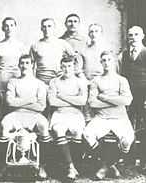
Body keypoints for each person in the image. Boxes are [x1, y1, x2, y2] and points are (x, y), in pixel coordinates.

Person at [0, 54, 52, 179]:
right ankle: (3, 165)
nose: (24, 66)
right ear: (18, 65)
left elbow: (41, 106)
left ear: (33, 65)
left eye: (27, 63)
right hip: (16, 114)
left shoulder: (39, 83)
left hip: (34, 115)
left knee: (44, 125)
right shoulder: (13, 81)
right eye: (22, 63)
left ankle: (42, 166)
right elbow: (10, 103)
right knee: (4, 124)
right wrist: (31, 100)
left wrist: (20, 101)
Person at [83, 51, 134, 180]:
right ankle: (111, 166)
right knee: (87, 134)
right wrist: (116, 101)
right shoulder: (96, 81)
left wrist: (104, 97)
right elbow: (93, 103)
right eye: (104, 60)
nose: (106, 62)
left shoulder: (122, 80)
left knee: (128, 140)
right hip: (102, 118)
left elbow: (127, 100)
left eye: (109, 60)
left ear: (114, 61)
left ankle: (106, 166)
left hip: (120, 118)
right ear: (101, 62)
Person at [48, 56, 87, 181]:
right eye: (64, 66)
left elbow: (82, 101)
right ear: (60, 67)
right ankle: (70, 166)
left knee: (78, 131)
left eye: (69, 66)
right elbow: (52, 102)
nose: (66, 69)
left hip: (75, 114)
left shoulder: (80, 81)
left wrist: (62, 96)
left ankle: (74, 165)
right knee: (59, 130)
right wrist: (72, 100)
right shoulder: (54, 82)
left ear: (74, 67)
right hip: (59, 114)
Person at [120, 26, 146, 172]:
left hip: (143, 97)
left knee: (144, 128)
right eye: (130, 35)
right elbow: (123, 76)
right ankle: (130, 159)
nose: (133, 37)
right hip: (128, 98)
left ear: (142, 36)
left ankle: (144, 161)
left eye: (136, 35)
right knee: (128, 127)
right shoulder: (125, 54)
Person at [0, 17, 26, 120]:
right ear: (3, 28)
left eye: (11, 25)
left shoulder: (21, 46)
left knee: (16, 106)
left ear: (15, 27)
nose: (9, 28)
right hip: (1, 79)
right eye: (6, 26)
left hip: (16, 78)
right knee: (1, 108)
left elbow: (26, 65)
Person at [30, 18, 75, 85]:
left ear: (54, 28)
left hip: (60, 82)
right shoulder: (35, 45)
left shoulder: (62, 43)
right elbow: (31, 66)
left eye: (49, 26)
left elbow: (74, 59)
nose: (47, 29)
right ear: (41, 28)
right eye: (44, 26)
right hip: (42, 82)